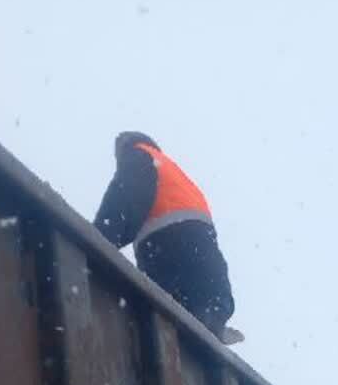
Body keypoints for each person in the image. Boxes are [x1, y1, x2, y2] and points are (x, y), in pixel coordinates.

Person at [94, 131, 241, 343]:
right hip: (205, 265)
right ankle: (211, 321)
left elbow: (121, 203)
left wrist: (97, 240)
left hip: (168, 250)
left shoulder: (139, 156)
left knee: (162, 316)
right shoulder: (178, 176)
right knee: (205, 309)